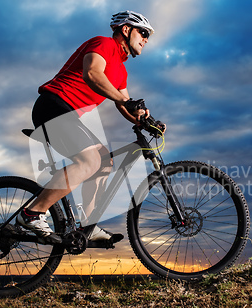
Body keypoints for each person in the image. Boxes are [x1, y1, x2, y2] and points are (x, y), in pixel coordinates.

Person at [16, 11, 155, 245]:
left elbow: (124, 103)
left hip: (67, 116)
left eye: (147, 36)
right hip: (54, 105)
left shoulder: (121, 71)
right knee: (89, 161)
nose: (146, 39)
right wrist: (125, 102)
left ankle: (88, 226)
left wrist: (144, 120)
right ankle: (31, 214)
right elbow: (92, 73)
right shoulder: (104, 43)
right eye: (143, 32)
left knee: (104, 161)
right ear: (125, 29)